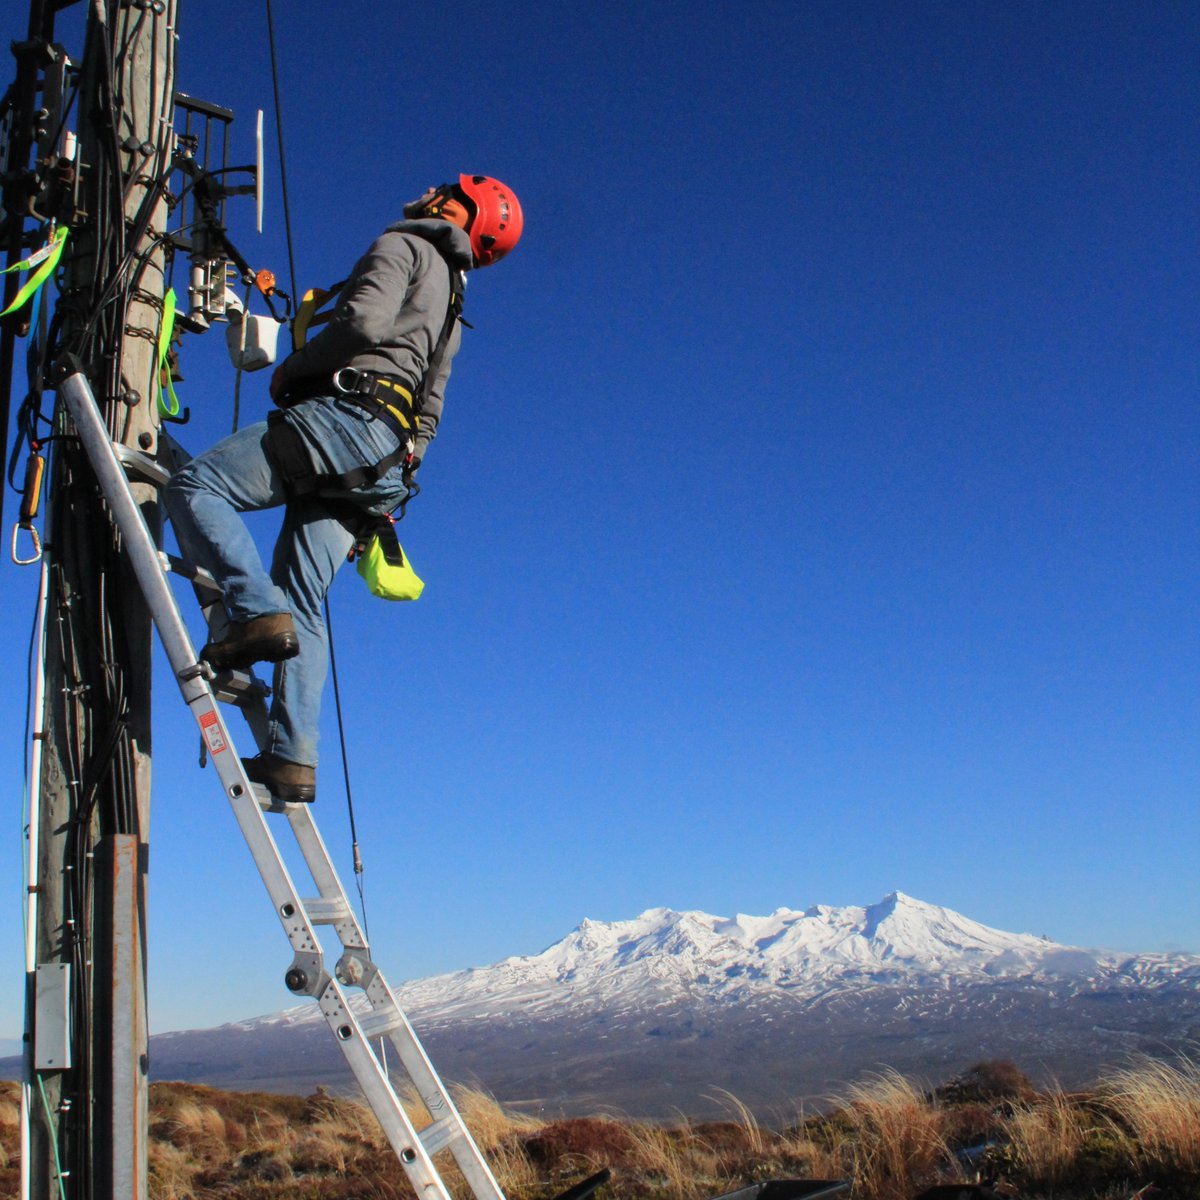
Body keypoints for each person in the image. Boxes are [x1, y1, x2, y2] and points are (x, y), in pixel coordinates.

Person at [165, 174, 523, 802]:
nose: (426, 191)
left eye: (444, 188)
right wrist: (389, 487)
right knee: (303, 600)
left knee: (197, 486)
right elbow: (430, 414)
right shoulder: (453, 314)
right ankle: (292, 758)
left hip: (344, 420)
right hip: (386, 463)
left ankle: (250, 610)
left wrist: (292, 373)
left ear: (453, 208)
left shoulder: (404, 245)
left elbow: (361, 323)